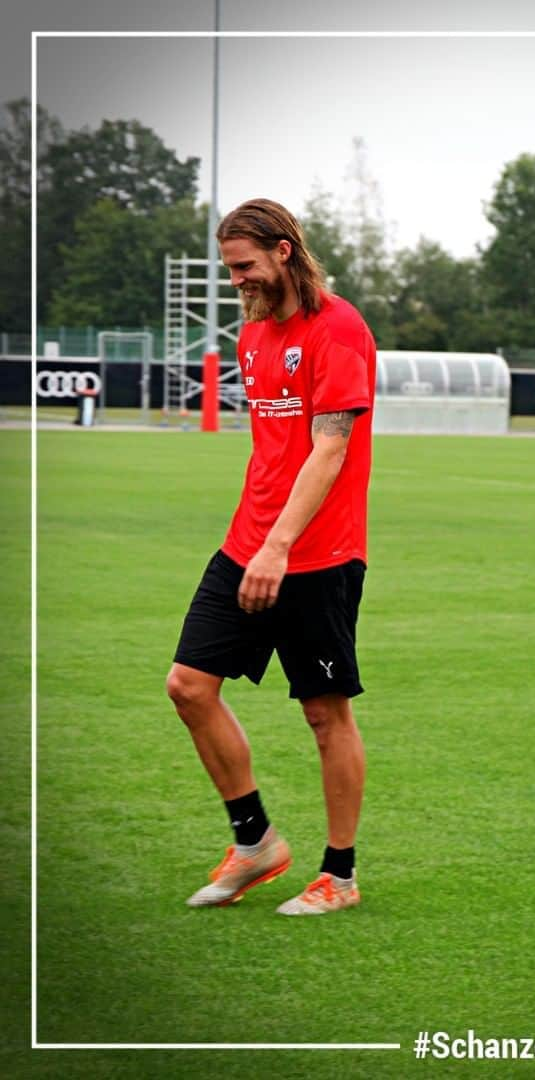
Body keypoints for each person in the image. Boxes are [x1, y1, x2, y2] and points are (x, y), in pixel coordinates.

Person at [166, 198, 376, 916]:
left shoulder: (339, 328)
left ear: (284, 252)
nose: (237, 282)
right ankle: (255, 842)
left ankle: (339, 877)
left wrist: (280, 547)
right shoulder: (255, 330)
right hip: (248, 542)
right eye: (230, 270)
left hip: (317, 554)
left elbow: (331, 445)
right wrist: (258, 545)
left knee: (325, 714)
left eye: (245, 267)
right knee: (189, 685)